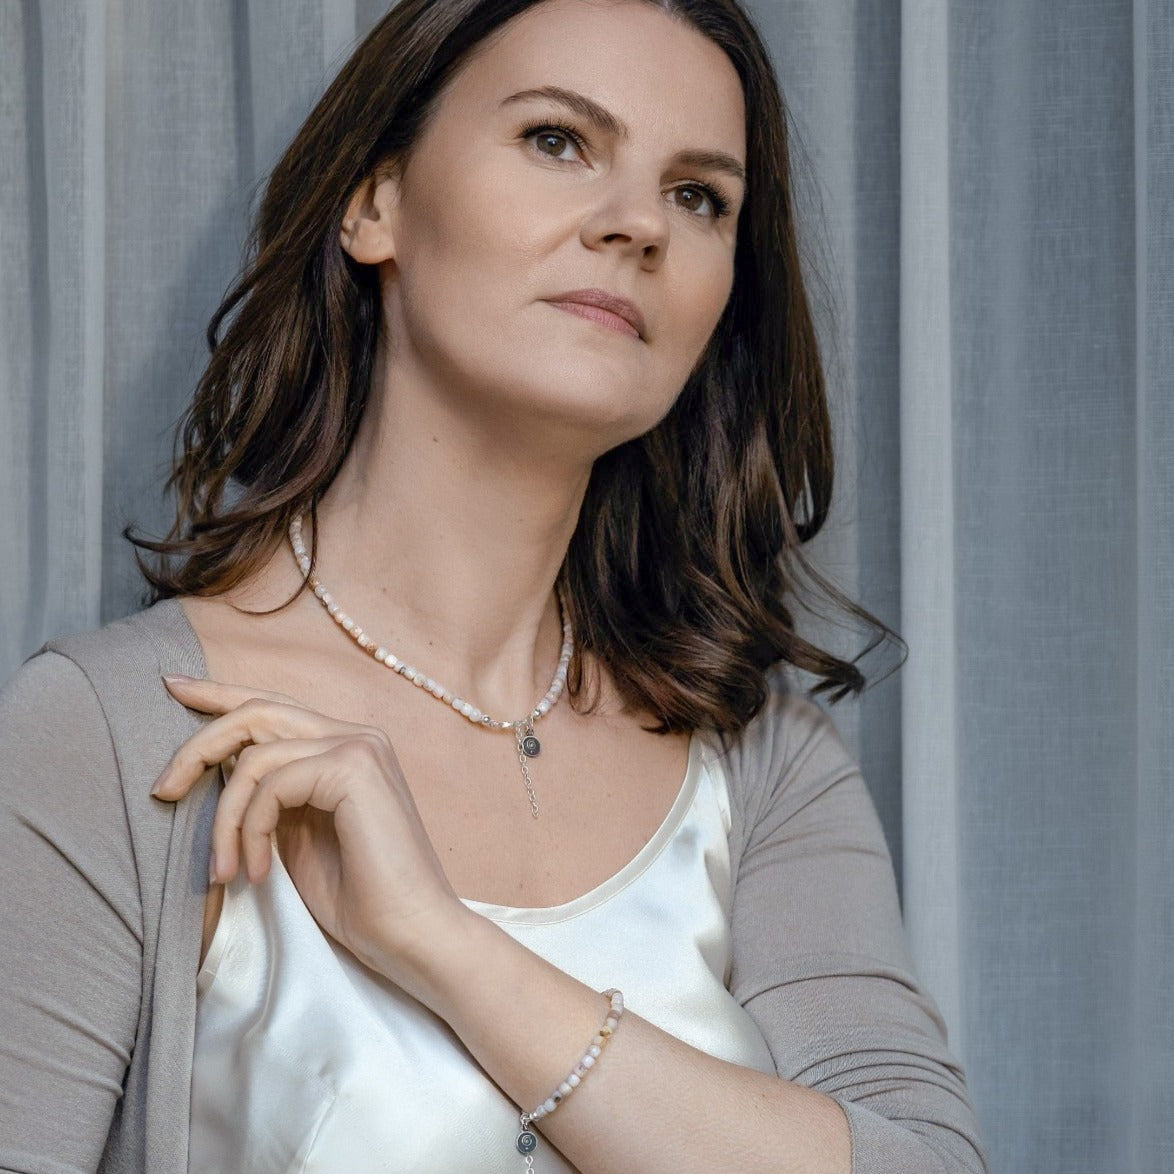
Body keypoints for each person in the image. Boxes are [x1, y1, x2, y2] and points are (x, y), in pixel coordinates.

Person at [0, 0, 989, 1170]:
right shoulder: (116, 737)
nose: (638, 225)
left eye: (697, 196)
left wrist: (442, 946)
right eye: (557, 140)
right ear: (374, 203)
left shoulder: (763, 765)